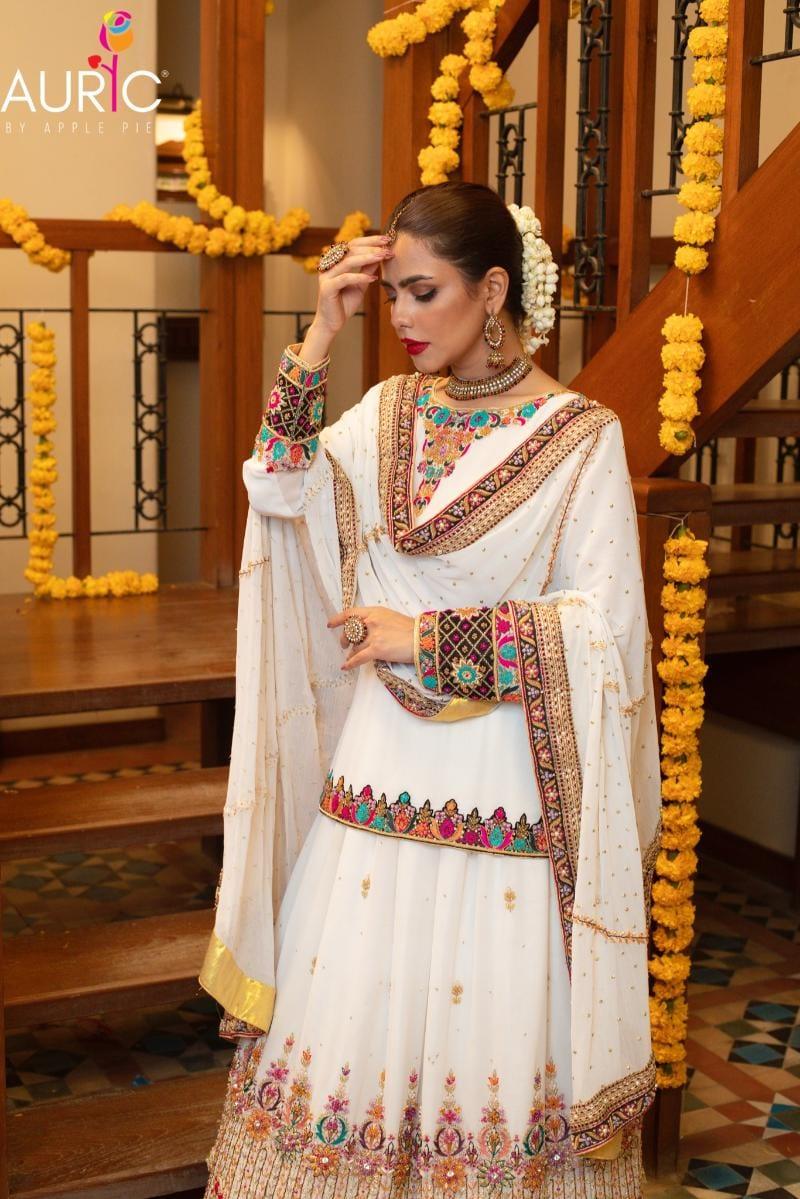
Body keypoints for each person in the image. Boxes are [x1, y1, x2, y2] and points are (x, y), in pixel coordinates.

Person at [200, 181, 662, 1199]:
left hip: (501, 787)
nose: (402, 317)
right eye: (391, 294)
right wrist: (321, 332)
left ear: (491, 290)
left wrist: (428, 636)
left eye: (423, 292)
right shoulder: (387, 412)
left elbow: (603, 636)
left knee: (481, 1031)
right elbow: (277, 484)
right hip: (375, 782)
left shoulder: (580, 436)